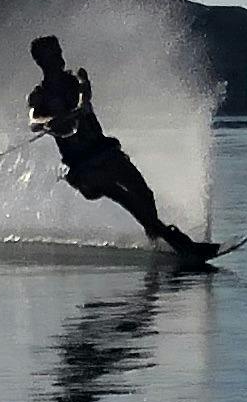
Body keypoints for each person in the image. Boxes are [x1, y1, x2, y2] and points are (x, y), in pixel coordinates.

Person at [25, 35, 209, 258]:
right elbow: (34, 121)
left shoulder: (75, 77)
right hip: (83, 168)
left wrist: (82, 106)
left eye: (59, 51)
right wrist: (48, 121)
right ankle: (178, 242)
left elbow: (85, 91)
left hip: (105, 152)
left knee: (144, 195)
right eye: (52, 55)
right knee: (125, 197)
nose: (59, 57)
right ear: (40, 62)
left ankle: (159, 245)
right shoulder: (39, 96)